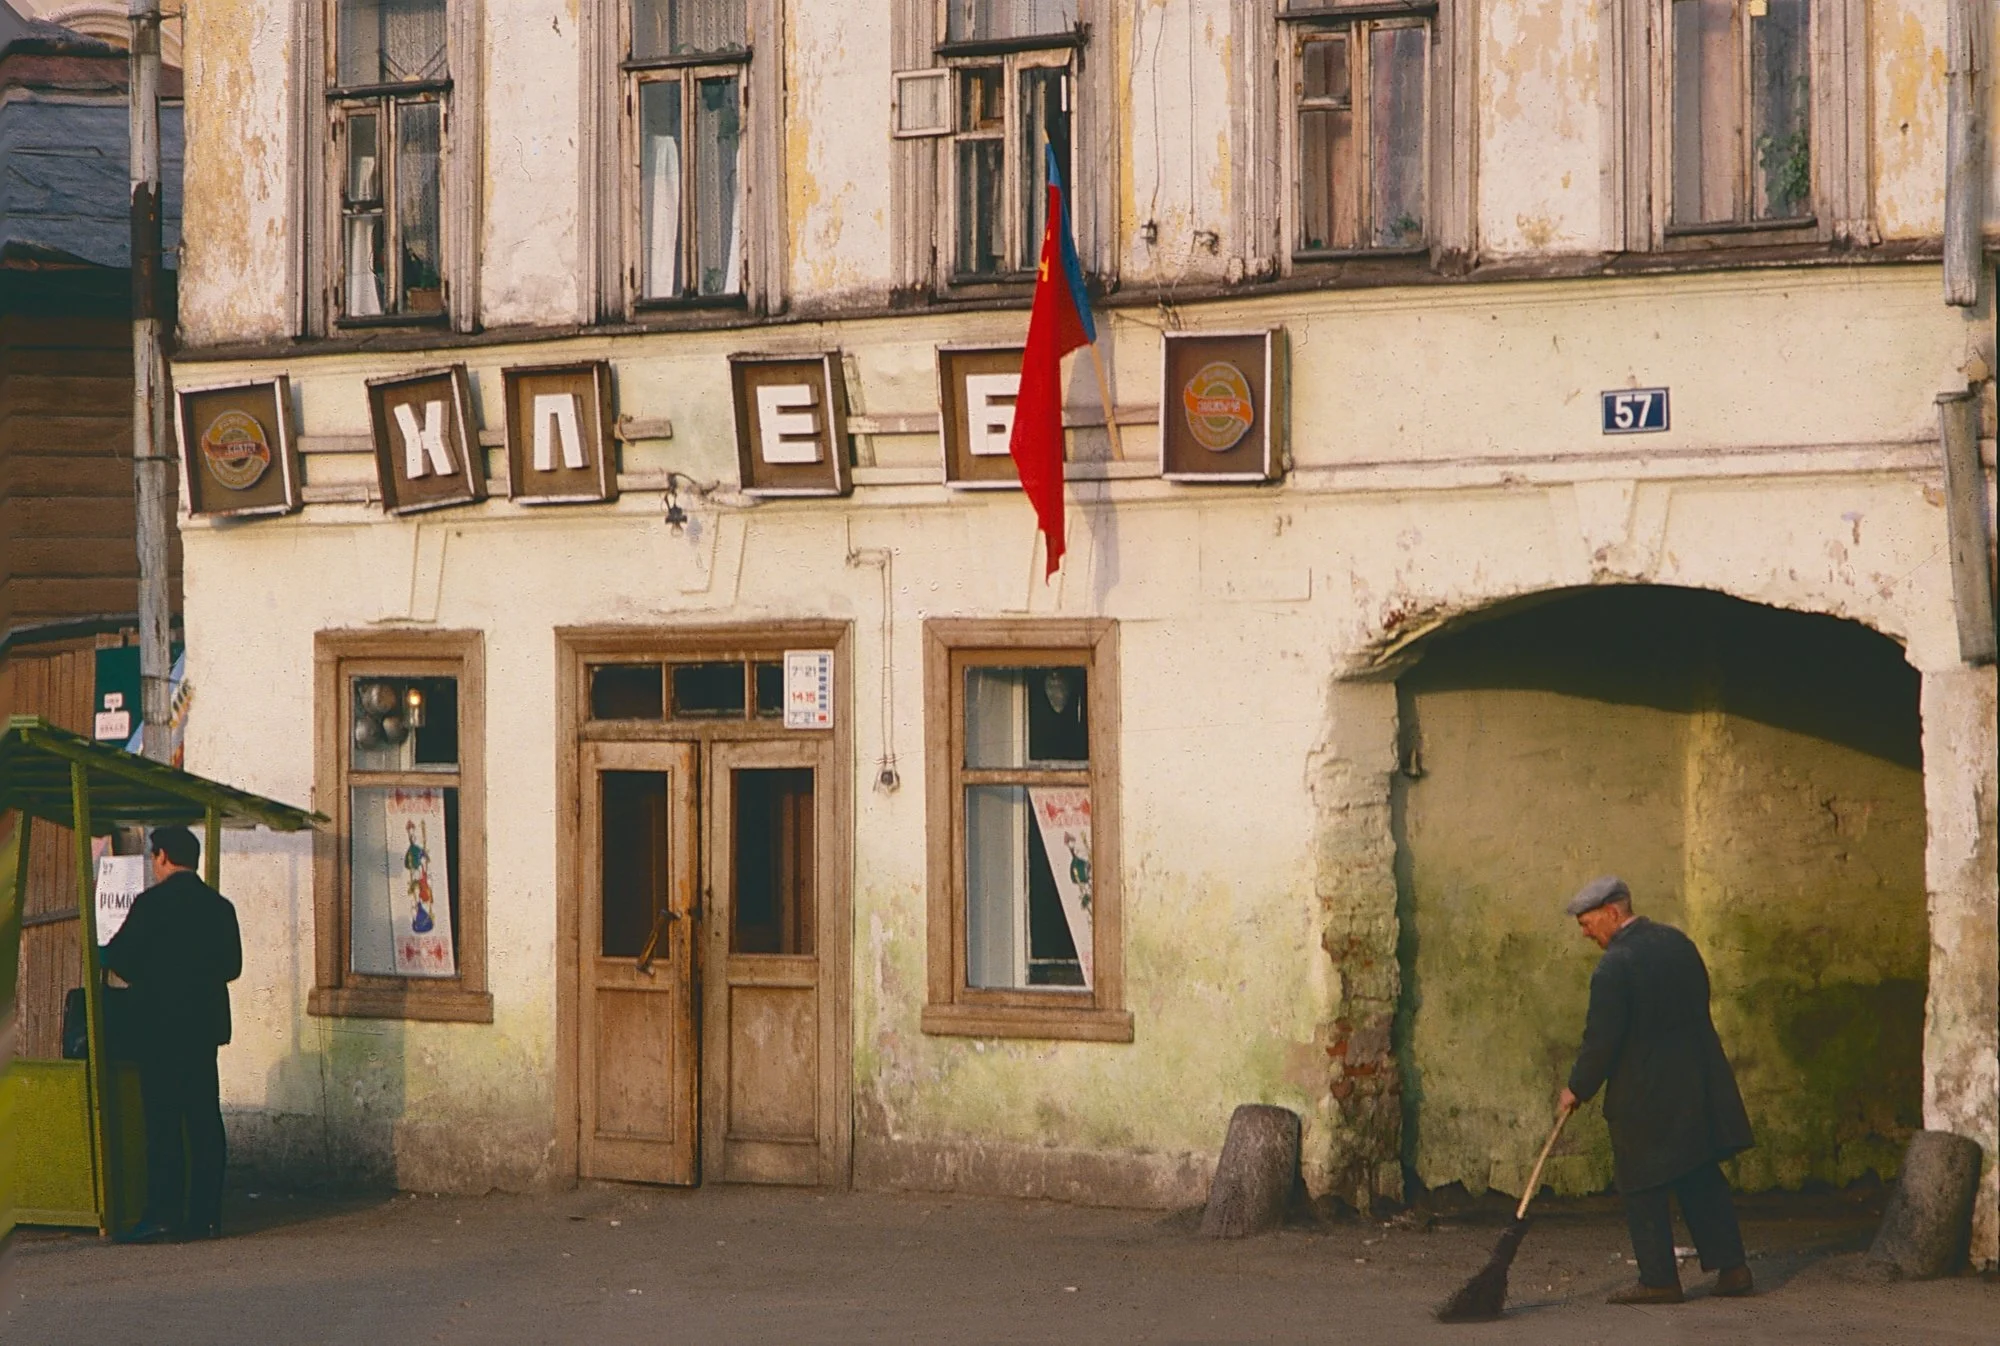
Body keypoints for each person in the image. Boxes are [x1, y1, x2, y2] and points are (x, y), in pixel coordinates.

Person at [1556, 875, 1755, 1304]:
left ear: (1613, 912)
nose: (1587, 934)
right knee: (1699, 1172)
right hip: (1696, 1082)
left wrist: (1577, 1088)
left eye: (1589, 924)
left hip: (1644, 1092)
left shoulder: (1615, 966)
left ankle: (1659, 1279)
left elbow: (1602, 1040)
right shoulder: (1677, 943)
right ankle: (1733, 1268)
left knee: (1641, 1184)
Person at [102, 825, 242, 1243]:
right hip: (202, 1032)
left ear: (162, 856)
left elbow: (120, 959)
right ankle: (206, 1218)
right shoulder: (219, 907)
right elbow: (232, 967)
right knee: (203, 1121)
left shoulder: (150, 905)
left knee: (162, 1123)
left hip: (159, 1030)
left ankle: (163, 1215)